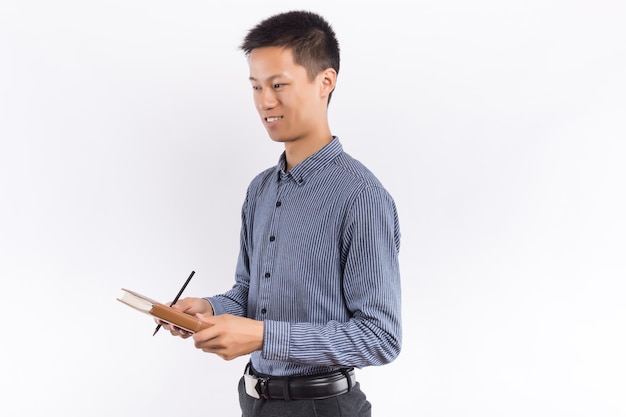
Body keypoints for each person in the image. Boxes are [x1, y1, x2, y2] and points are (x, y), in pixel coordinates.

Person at [160, 10, 402, 417]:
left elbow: (380, 336)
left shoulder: (361, 197)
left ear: (325, 82)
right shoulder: (260, 189)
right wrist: (210, 309)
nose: (264, 102)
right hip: (254, 400)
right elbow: (249, 292)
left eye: (278, 85)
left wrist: (263, 336)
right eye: (255, 87)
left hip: (323, 407)